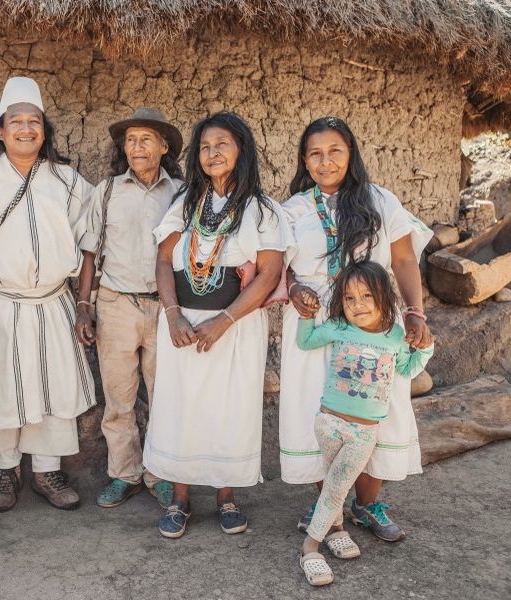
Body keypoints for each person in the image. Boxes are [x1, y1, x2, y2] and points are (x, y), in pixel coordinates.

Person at [279, 116, 434, 542]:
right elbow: (279, 271)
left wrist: (416, 313)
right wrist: (293, 290)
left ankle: (366, 504)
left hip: (374, 316)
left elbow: (403, 261)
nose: (324, 161)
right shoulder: (292, 210)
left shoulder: (382, 201)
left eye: (335, 151)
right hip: (316, 318)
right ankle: (327, 497)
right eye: (314, 153)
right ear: (304, 159)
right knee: (316, 406)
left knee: (377, 404)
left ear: (351, 154)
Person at [0, 76, 95, 512]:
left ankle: (48, 471)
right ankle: (6, 473)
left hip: (53, 303)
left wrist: (83, 303)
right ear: (0, 129)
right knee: (1, 387)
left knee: (53, 390)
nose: (26, 129)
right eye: (17, 121)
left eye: (35, 121)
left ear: (45, 131)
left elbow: (89, 245)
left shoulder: (68, 182)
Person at [142, 112, 287, 538]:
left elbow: (268, 274)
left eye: (222, 144)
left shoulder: (263, 211)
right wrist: (172, 315)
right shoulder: (186, 204)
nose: (212, 153)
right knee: (180, 406)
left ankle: (226, 497)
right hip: (184, 327)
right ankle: (181, 499)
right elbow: (165, 261)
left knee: (230, 407)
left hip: (236, 328)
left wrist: (224, 320)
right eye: (205, 147)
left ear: (241, 149)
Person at [295, 262, 433, 585]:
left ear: (384, 297)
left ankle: (310, 546)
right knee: (334, 483)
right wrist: (304, 318)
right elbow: (307, 341)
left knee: (336, 486)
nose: (357, 305)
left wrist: (425, 350)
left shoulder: (395, 336)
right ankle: (335, 529)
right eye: (349, 298)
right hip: (327, 423)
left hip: (363, 433)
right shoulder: (341, 327)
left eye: (366, 296)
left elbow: (407, 369)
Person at [74, 108, 183, 509]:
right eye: (130, 140)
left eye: (146, 139)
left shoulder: (183, 193)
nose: (136, 147)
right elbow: (90, 253)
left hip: (165, 308)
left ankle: (161, 475)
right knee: (119, 400)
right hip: (116, 305)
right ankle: (124, 474)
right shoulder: (106, 191)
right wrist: (84, 307)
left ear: (164, 146)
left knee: (163, 397)